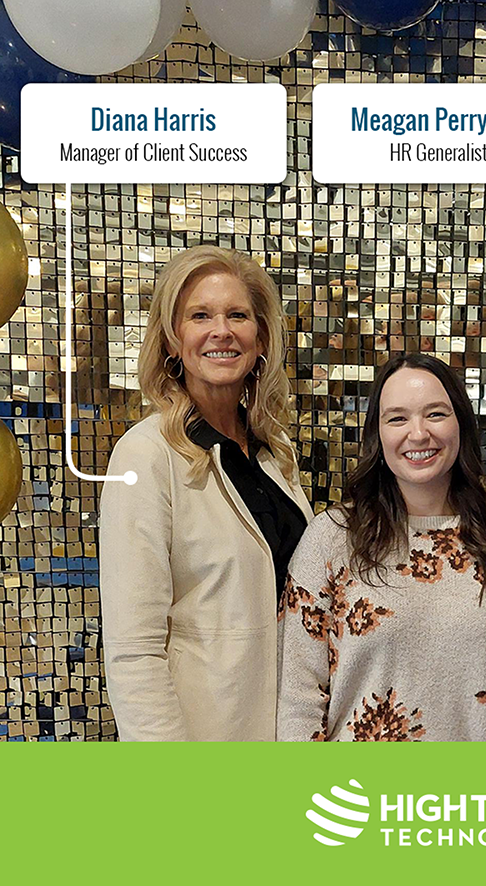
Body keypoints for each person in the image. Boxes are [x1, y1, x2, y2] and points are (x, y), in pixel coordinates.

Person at [277, 353, 486, 741]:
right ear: (378, 434)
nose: (419, 433)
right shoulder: (332, 539)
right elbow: (298, 695)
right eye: (397, 418)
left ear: (461, 425)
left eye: (436, 414)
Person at [100, 246, 313, 741]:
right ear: (173, 342)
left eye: (238, 315)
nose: (222, 331)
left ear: (260, 339)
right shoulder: (145, 456)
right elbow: (134, 649)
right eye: (200, 316)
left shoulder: (273, 452)